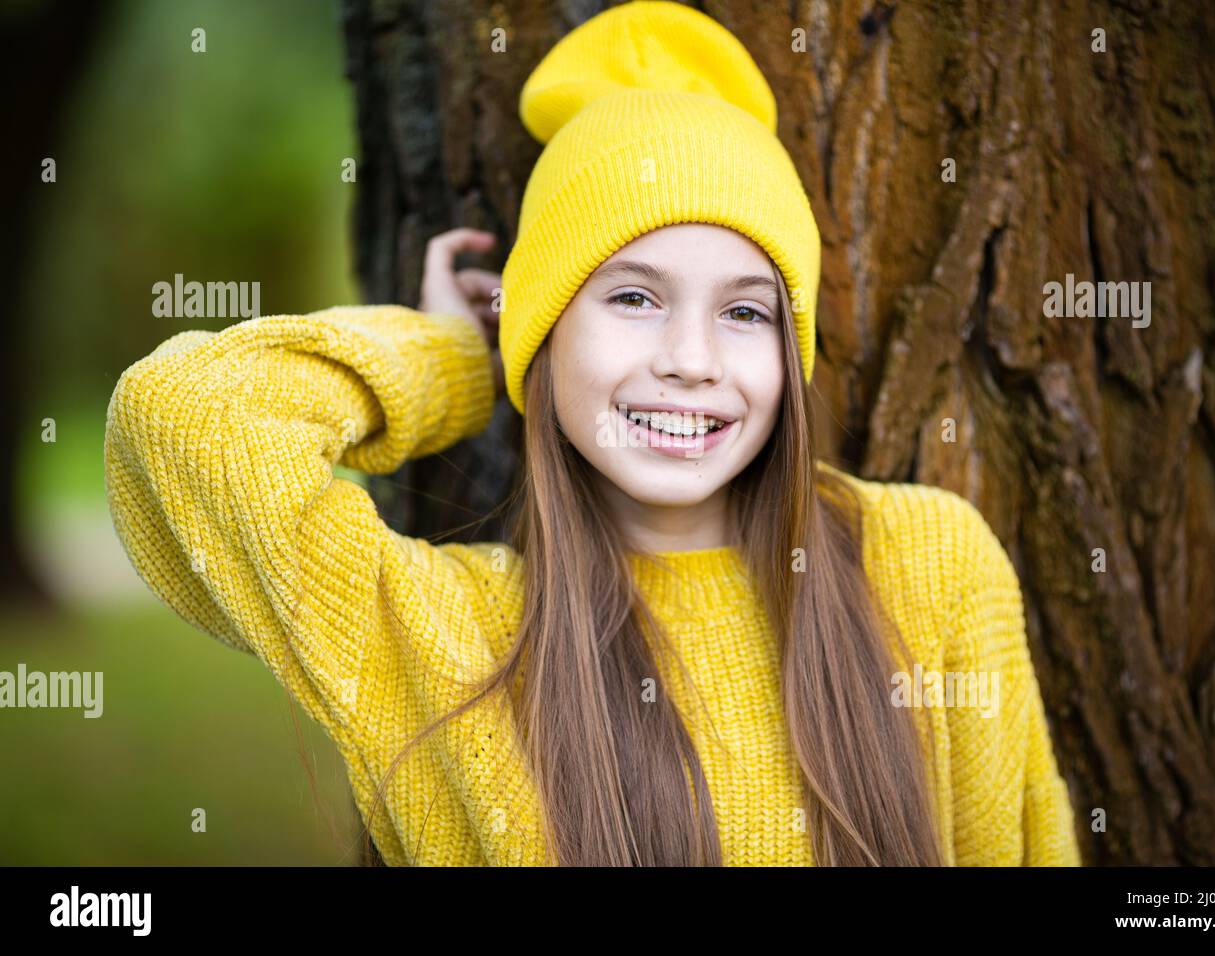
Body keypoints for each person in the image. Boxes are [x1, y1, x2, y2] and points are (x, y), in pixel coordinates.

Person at [104, 0, 1080, 866]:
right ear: (542, 328)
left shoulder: (927, 567)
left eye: (745, 313)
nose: (690, 357)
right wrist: (456, 358)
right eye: (631, 296)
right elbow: (185, 414)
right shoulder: (451, 639)